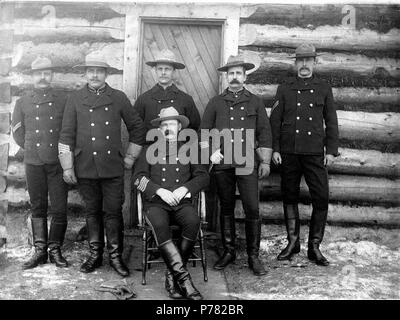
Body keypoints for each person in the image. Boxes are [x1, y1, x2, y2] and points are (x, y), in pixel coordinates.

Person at [58, 54, 146, 276]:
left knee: (113, 211)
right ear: (85, 74)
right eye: (91, 71)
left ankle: (116, 257)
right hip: (85, 166)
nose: (95, 75)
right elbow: (66, 134)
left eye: (99, 71)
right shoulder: (75, 99)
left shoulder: (118, 97)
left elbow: (137, 128)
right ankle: (95, 255)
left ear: (107, 74)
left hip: (112, 167)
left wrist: (130, 157)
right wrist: (67, 166)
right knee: (92, 211)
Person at [200, 55, 273, 276]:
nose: (234, 77)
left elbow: (264, 132)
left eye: (238, 73)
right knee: (226, 206)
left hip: (247, 161)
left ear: (244, 76)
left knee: (252, 207)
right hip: (223, 163)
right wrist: (210, 152)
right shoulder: (215, 102)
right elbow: (204, 131)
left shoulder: (255, 101)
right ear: (226, 76)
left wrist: (266, 161)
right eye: (231, 73)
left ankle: (253, 256)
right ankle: (229, 251)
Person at [270, 43, 339, 266]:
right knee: (289, 196)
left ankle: (314, 247)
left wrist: (331, 151)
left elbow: (331, 121)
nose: (304, 65)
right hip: (289, 153)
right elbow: (275, 121)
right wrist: (276, 149)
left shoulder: (324, 88)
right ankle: (293, 243)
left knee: (321, 198)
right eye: (300, 61)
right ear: (295, 63)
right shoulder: (285, 88)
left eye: (308, 61)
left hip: (314, 154)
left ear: (315, 63)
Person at [133, 107, 209, 300]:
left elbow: (203, 177)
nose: (168, 127)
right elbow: (137, 178)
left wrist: (186, 189)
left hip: (182, 202)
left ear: (179, 127)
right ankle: (184, 280)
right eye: (164, 124)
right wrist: (159, 190)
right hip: (156, 203)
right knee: (159, 224)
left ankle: (171, 275)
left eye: (172, 124)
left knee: (193, 222)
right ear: (160, 128)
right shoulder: (149, 150)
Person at [12, 56, 69, 269]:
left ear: (52, 75)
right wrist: (33, 148)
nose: (43, 77)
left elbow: (68, 129)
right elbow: (18, 132)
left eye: (46, 73)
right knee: (38, 207)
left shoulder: (63, 100)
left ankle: (55, 250)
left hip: (57, 162)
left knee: (60, 207)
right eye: (39, 73)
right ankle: (40, 250)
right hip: (33, 161)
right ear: (33, 76)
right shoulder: (23, 101)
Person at [133, 48, 201, 134]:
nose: (163, 72)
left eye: (167, 69)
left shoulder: (186, 99)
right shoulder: (143, 99)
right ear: (155, 71)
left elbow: (195, 128)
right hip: (150, 146)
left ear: (174, 71)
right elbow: (136, 129)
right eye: (160, 69)